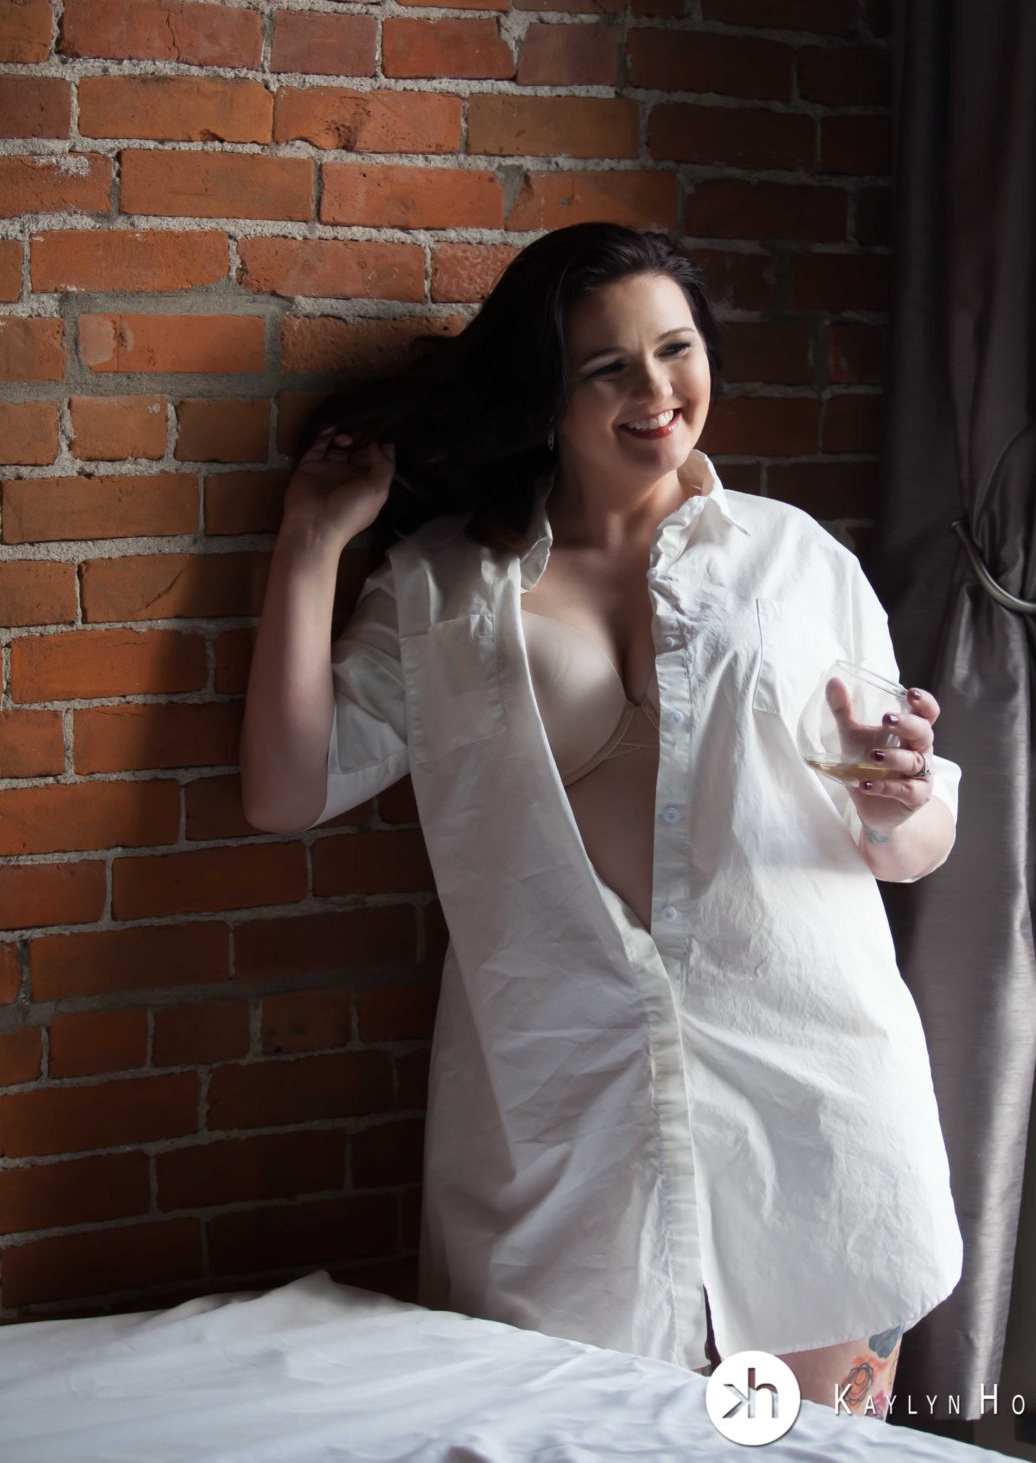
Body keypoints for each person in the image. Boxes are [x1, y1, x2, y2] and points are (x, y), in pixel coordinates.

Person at [240, 223, 963, 1416]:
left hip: (815, 1126)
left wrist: (906, 794)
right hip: (559, 1139)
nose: (657, 391)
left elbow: (908, 843)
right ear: (546, 395)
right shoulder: (443, 587)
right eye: (606, 368)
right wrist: (312, 545)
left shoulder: (798, 563)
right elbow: (287, 790)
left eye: (676, 350)